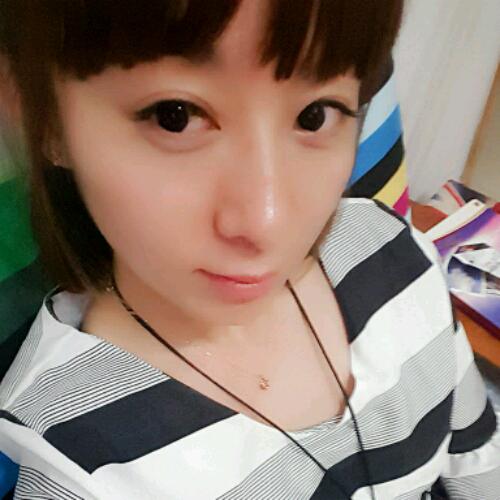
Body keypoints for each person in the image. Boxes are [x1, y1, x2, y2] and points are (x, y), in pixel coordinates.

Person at [0, 0, 498, 498]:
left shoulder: (392, 252)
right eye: (176, 117)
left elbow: (476, 453)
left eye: (315, 115)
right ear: (48, 123)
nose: (267, 222)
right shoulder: (77, 470)